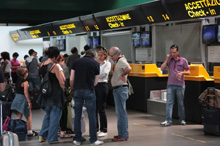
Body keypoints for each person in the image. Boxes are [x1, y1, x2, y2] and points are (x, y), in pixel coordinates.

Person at [70, 49, 103, 145]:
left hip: (77, 90)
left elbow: (72, 79)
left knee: (77, 115)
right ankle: (93, 139)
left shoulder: (76, 62)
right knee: (92, 115)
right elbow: (96, 82)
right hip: (89, 90)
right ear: (94, 56)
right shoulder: (95, 63)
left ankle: (78, 139)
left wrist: (73, 88)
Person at [38, 46, 66, 144]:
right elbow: (62, 82)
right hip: (55, 93)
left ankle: (42, 134)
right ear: (56, 55)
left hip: (46, 92)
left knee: (48, 114)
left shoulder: (42, 64)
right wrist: (65, 90)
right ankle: (52, 138)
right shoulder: (55, 66)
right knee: (55, 115)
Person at [160, 44, 190, 126]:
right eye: (171, 52)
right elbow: (162, 68)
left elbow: (188, 72)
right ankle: (168, 120)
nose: (172, 54)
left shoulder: (183, 60)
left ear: (177, 52)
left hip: (180, 85)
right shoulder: (169, 60)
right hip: (170, 84)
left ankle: (182, 119)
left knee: (180, 103)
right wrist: (167, 59)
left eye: (174, 52)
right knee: (169, 102)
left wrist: (182, 73)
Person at [108, 47, 131, 142]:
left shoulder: (121, 61)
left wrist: (122, 75)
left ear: (117, 54)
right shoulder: (119, 61)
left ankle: (124, 134)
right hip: (118, 89)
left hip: (121, 89)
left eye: (111, 55)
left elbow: (129, 68)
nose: (111, 57)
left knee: (121, 113)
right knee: (119, 112)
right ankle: (121, 133)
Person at [10, 67, 38, 136]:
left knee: (19, 115)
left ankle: (14, 130)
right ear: (25, 74)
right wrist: (29, 101)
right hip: (23, 99)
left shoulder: (18, 80)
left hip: (17, 98)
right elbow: (26, 92)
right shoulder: (25, 82)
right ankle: (29, 131)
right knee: (28, 115)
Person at [95, 48, 111, 137]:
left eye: (101, 55)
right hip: (95, 85)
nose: (99, 57)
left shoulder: (107, 64)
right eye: (98, 55)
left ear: (105, 56)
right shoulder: (96, 63)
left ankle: (104, 129)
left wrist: (96, 75)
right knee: (94, 108)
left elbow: (104, 74)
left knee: (101, 108)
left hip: (102, 86)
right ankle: (96, 128)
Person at [56, 54, 72, 138]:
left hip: (56, 94)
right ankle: (63, 131)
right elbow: (62, 81)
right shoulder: (59, 68)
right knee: (63, 112)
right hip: (61, 93)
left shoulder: (52, 67)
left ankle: (59, 130)